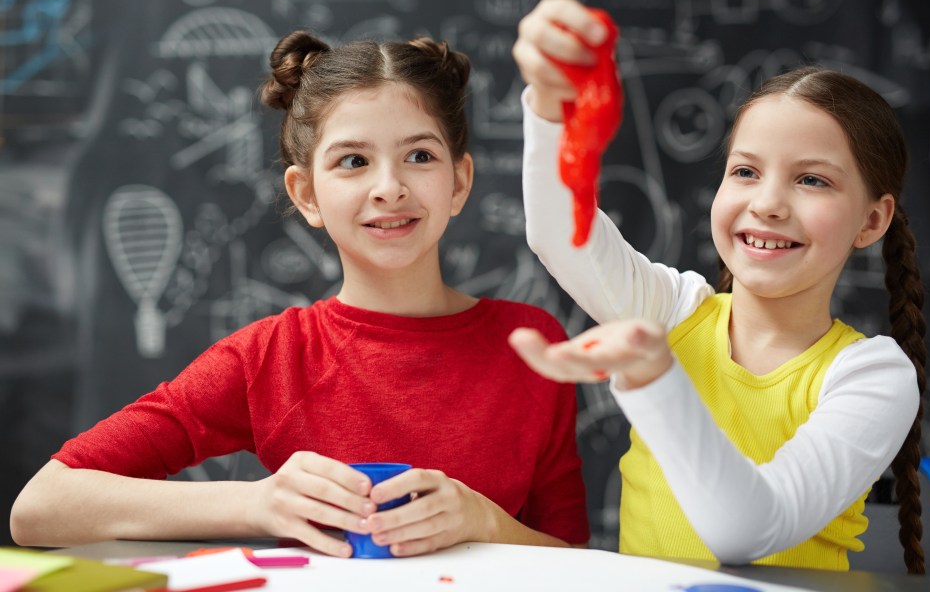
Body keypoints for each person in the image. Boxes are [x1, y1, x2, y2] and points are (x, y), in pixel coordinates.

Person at [10, 30, 589, 556]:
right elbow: (39, 508)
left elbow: (577, 561)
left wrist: (484, 522)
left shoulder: (532, 343)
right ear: (306, 194)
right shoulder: (270, 358)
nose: (389, 188)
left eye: (419, 156)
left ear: (459, 181)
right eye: (353, 161)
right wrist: (256, 503)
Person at [508, 0, 925, 573]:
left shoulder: (873, 376)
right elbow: (560, 232)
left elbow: (748, 531)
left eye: (811, 179)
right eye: (746, 171)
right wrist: (551, 106)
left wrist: (655, 378)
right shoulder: (675, 312)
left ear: (872, 221)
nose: (768, 204)